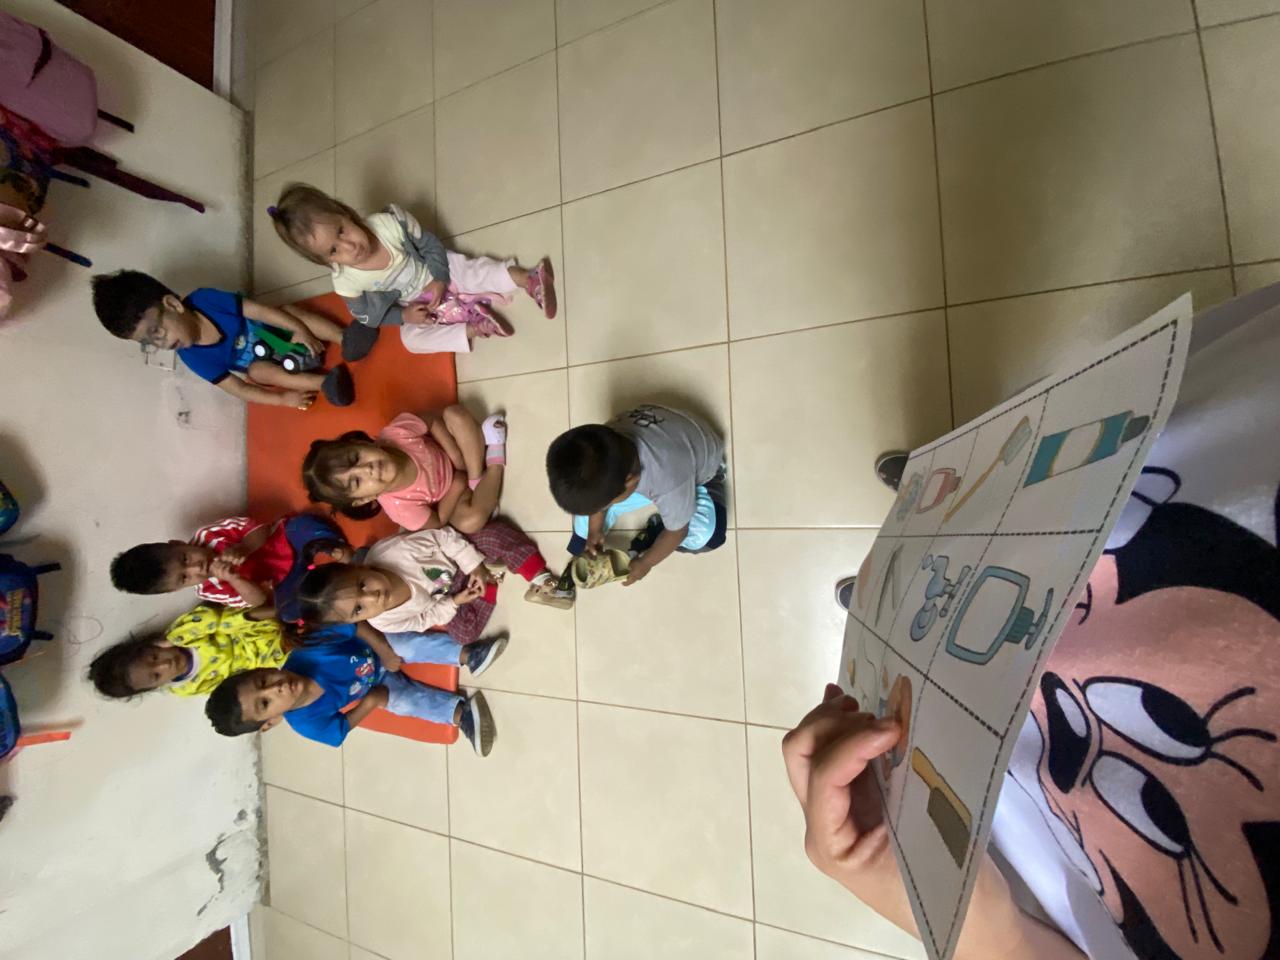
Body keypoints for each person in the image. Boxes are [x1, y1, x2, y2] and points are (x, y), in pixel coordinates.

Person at [813, 288, 1280, 959]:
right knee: (993, 506)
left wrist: (987, 935)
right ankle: (924, 525)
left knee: (936, 597)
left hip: (1013, 786)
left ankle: (897, 577)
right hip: (1176, 476)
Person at [268, 184, 555, 361]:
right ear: (326, 261)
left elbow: (430, 245)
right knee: (411, 341)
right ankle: (474, 328)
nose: (349, 247)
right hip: (413, 303)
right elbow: (367, 316)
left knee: (472, 271)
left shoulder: (390, 224)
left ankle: (526, 278)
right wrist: (403, 316)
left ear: (346, 213)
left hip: (436, 270)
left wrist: (439, 278)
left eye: (342, 231)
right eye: (333, 250)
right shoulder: (346, 282)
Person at [204, 622, 502, 755]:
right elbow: (340, 730)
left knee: (406, 645)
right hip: (374, 686)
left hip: (375, 648)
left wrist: (383, 651)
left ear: (260, 669)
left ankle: (468, 654)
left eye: (262, 681)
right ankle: (461, 715)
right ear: (269, 722)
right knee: (402, 703)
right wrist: (370, 702)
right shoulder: (306, 723)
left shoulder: (306, 649)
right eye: (265, 703)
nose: (276, 687)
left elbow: (353, 626)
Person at [91, 269, 355, 409]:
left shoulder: (204, 299)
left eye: (156, 332)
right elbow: (239, 389)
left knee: (287, 312)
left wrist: (299, 328)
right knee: (257, 372)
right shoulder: (192, 357)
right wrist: (283, 399)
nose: (160, 343)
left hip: (280, 333)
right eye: (148, 343)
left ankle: (344, 338)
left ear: (172, 304)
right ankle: (324, 382)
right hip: (271, 364)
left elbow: (261, 311)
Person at [290, 521, 574, 646]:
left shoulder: (393, 552)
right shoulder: (384, 622)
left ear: (358, 567)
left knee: (492, 535)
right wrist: (455, 602)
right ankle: (489, 582)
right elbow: (425, 619)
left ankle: (541, 578)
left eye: (362, 585)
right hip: (449, 592)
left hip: (456, 558)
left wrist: (472, 565)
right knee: (463, 635)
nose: (373, 596)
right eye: (359, 609)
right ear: (357, 620)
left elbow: (444, 538)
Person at [545, 404, 727, 586]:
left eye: (605, 505)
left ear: (630, 481)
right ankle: (582, 544)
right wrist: (595, 531)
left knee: (709, 537)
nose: (602, 509)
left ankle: (655, 533)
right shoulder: (604, 441)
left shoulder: (668, 482)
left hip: (701, 466)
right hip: (669, 434)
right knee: (589, 506)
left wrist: (646, 563)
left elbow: (678, 532)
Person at [301, 406, 506, 534]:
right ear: (363, 499)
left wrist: (456, 457)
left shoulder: (396, 434)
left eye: (356, 458)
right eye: (357, 481)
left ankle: (477, 478)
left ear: (358, 443)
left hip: (457, 453)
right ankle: (495, 460)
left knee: (455, 415)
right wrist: (457, 486)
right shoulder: (399, 508)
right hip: (453, 493)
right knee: (470, 522)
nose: (366, 469)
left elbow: (432, 420)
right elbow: (437, 521)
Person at [109, 513, 351, 612]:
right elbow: (259, 601)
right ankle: (332, 581)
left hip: (288, 542)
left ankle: (335, 549)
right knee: (291, 609)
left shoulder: (209, 535)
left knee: (302, 524)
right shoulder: (208, 589)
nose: (196, 568)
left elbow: (260, 528)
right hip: (288, 580)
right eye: (184, 577)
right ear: (177, 589)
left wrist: (244, 547)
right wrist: (235, 579)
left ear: (177, 543)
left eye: (185, 558)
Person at [88, 603, 287, 698]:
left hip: (250, 631)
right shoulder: (186, 688)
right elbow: (229, 687)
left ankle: (285, 610)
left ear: (149, 646)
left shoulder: (181, 635)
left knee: (229, 621)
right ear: (155, 687)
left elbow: (211, 617)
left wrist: (172, 638)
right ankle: (290, 639)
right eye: (156, 675)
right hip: (263, 663)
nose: (165, 664)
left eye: (154, 657)